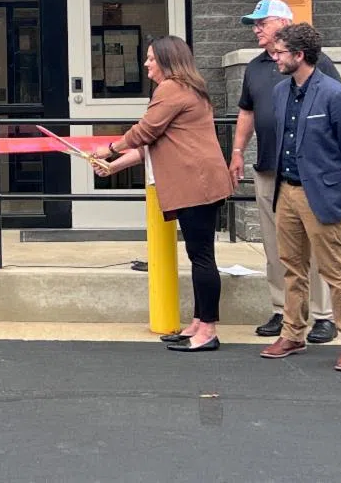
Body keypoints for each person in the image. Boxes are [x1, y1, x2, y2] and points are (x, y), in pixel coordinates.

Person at [93, 36, 235, 353]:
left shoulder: (171, 88)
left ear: (168, 61)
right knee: (199, 255)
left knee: (202, 257)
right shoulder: (187, 89)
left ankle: (207, 331)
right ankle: (198, 323)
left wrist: (111, 148)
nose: (146, 64)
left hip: (197, 184)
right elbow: (152, 143)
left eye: (151, 58)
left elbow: (144, 131)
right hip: (200, 183)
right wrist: (113, 166)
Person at [229, 0, 341, 343]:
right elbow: (247, 112)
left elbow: (340, 110)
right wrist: (237, 151)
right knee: (275, 243)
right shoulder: (254, 67)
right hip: (269, 168)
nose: (256, 29)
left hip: (309, 171)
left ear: (283, 23)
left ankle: (323, 315)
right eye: (254, 24)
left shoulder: (316, 62)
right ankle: (283, 310)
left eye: (261, 23)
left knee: (315, 242)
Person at [258, 23, 341, 371]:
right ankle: (293, 333)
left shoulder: (334, 94)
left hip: (320, 193)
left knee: (334, 270)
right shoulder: (281, 92)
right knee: (292, 268)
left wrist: (332, 182)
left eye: (280, 53)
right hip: (286, 190)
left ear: (299, 55)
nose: (275, 58)